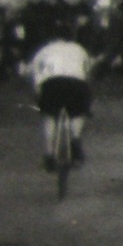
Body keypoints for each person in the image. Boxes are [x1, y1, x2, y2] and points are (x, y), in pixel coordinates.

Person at [29, 26, 94, 171]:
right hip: (76, 82)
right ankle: (75, 137)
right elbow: (87, 71)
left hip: (51, 83)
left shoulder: (43, 51)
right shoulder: (79, 49)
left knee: (49, 117)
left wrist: (38, 95)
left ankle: (49, 154)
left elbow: (35, 74)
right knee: (77, 112)